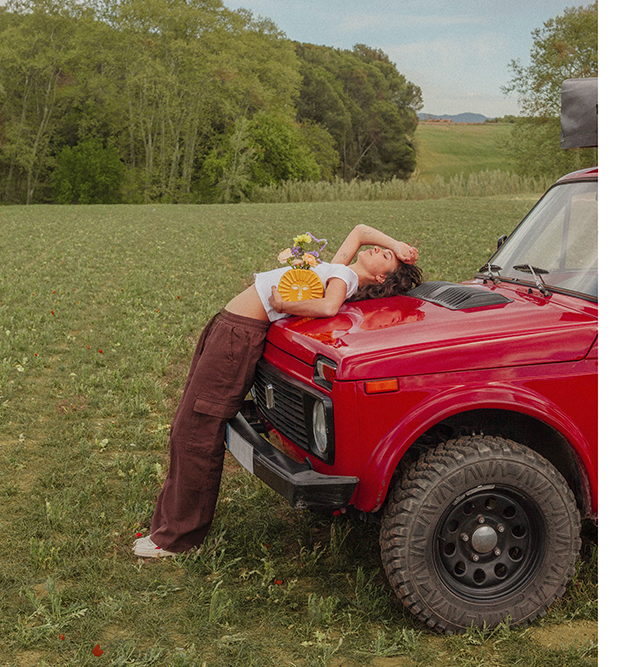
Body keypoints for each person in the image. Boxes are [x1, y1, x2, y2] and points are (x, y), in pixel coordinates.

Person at [134, 224, 422, 559]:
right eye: (381, 249)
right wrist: (397, 245)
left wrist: (284, 304)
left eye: (385, 257)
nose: (378, 250)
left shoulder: (345, 279)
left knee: (197, 430)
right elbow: (359, 232)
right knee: (187, 424)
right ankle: (168, 525)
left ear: (381, 278)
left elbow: (328, 307)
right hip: (228, 327)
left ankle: (178, 538)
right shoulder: (340, 269)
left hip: (239, 334)